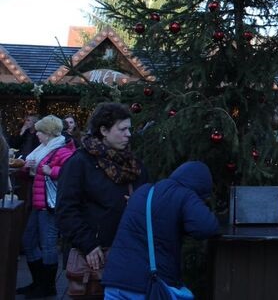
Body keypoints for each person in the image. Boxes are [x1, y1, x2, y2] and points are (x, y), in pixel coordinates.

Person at [102, 161, 219, 298]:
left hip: (115, 281)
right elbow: (207, 227)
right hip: (145, 286)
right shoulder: (185, 195)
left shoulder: (144, 190)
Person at [56, 102, 147, 275]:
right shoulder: (79, 163)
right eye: (122, 129)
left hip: (131, 251)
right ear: (104, 131)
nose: (128, 134)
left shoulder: (134, 164)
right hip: (95, 256)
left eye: (129, 129)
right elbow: (66, 209)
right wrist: (88, 244)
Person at [16, 115, 76, 298]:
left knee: (48, 246)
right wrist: (27, 167)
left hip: (50, 206)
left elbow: (70, 173)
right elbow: (33, 175)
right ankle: (39, 282)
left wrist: (51, 171)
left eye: (40, 131)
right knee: (28, 241)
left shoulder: (62, 150)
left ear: (49, 133)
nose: (37, 135)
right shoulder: (42, 149)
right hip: (38, 203)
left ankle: (48, 286)